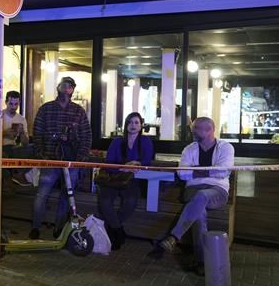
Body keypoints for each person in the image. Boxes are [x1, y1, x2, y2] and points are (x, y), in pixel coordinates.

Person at [153, 117, 234, 275]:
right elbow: (182, 173)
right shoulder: (189, 149)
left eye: (196, 128)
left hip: (217, 190)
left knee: (201, 197)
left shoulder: (226, 147)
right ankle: (201, 262)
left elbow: (223, 171)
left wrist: (195, 170)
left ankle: (174, 237)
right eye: (193, 128)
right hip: (193, 189)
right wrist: (208, 170)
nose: (192, 131)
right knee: (199, 211)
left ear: (209, 130)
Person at [29, 76, 91, 239]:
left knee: (66, 197)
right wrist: (42, 155)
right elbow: (37, 133)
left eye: (69, 86)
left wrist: (81, 158)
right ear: (58, 87)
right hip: (50, 160)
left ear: (73, 90)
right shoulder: (46, 109)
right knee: (42, 195)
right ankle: (35, 228)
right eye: (63, 85)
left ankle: (59, 229)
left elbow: (86, 136)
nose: (66, 88)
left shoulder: (78, 111)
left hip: (71, 162)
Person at [98, 112, 154, 250]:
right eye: (130, 122)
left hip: (132, 179)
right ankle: (118, 232)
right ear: (125, 125)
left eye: (136, 122)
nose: (133, 125)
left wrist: (136, 164)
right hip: (113, 178)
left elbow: (147, 161)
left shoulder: (145, 141)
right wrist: (123, 167)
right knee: (105, 202)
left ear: (141, 126)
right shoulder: (117, 141)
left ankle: (112, 229)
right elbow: (109, 162)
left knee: (130, 201)